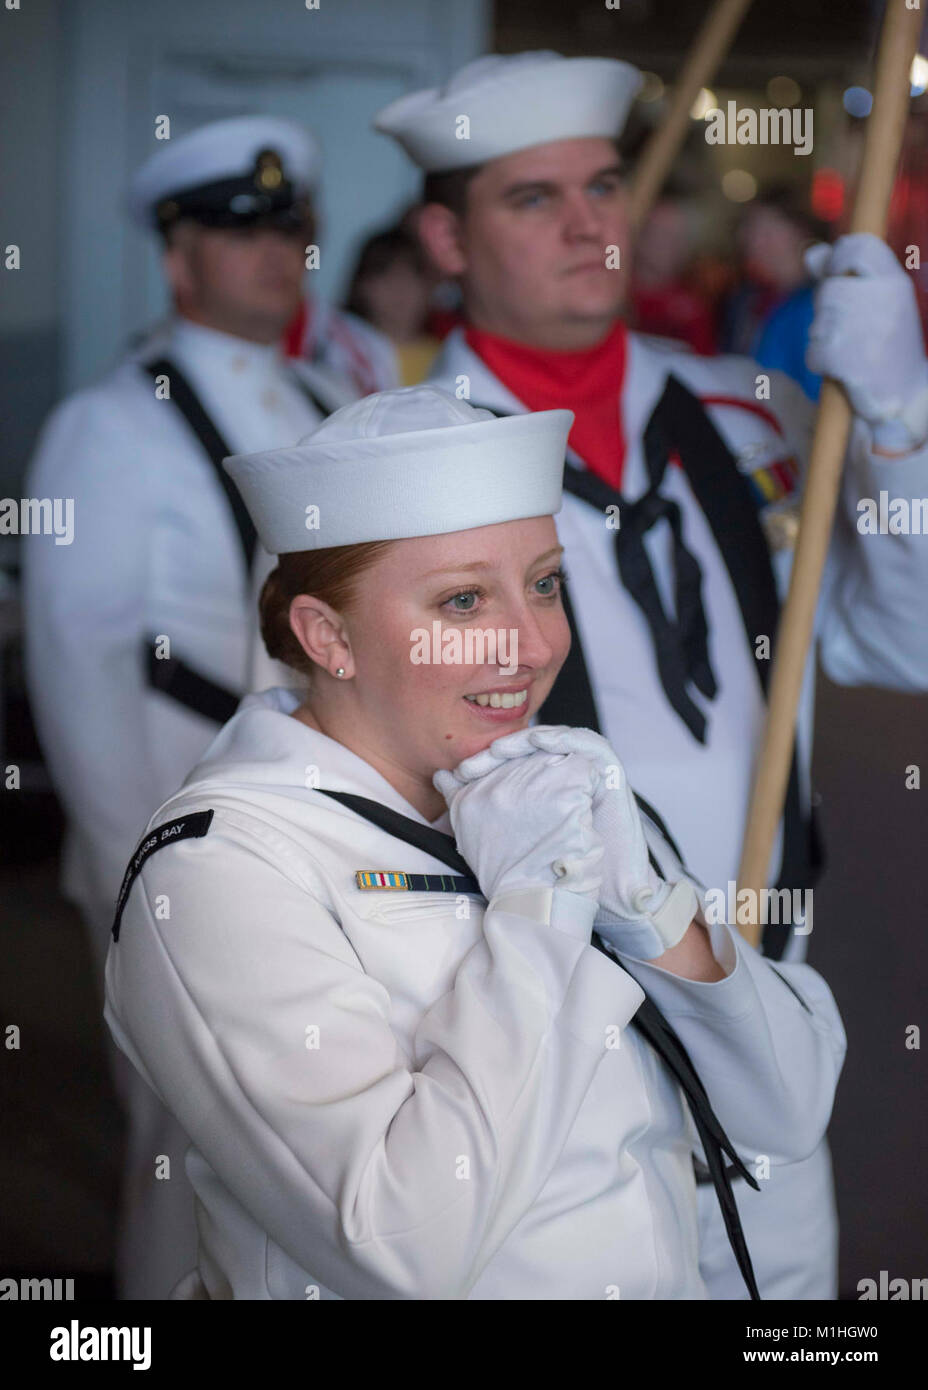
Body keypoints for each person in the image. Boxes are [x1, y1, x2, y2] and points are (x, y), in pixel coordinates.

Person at [372, 50, 928, 1298]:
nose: (588, 225)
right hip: (550, 1053)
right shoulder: (391, 468)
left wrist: (899, 428)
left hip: (764, 1016)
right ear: (444, 237)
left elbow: (902, 637)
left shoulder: (743, 414)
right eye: (532, 198)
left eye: (606, 186)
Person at [103, 385, 845, 1300]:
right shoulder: (223, 866)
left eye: (544, 584)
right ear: (327, 635)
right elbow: (399, 1246)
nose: (532, 645)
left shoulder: (555, 793)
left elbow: (787, 1107)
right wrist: (540, 914)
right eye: (462, 601)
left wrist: (652, 911)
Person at [22, 114, 358, 1300]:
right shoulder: (108, 424)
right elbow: (80, 670)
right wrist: (140, 880)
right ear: (179, 258)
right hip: (185, 853)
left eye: (290, 229)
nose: (274, 252)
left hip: (330, 846)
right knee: (194, 1160)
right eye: (237, 230)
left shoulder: (326, 393)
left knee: (324, 1155)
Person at [344, 227, 442, 384]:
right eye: (386, 277)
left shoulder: (447, 358)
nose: (399, 290)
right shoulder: (340, 351)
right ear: (363, 286)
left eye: (410, 278)